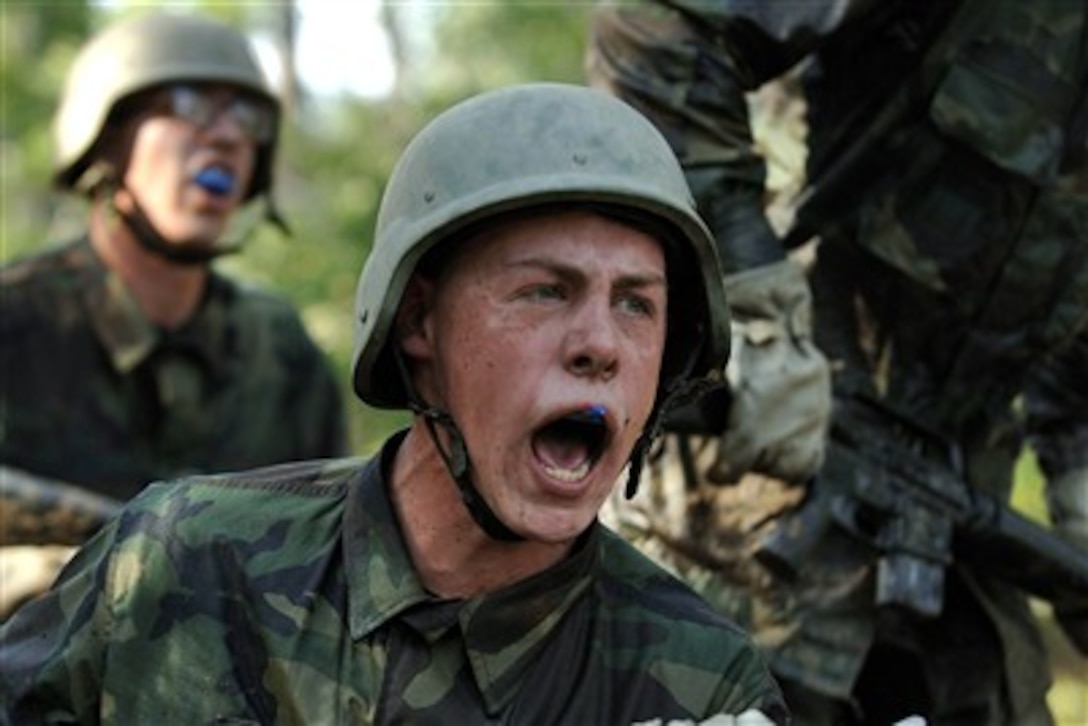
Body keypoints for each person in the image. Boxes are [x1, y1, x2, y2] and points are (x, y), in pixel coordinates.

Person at [0, 82, 789, 725]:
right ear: (418, 321)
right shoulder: (184, 564)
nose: (600, 345)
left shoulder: (699, 686)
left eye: (637, 304)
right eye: (545, 291)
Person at [588, 1, 1088, 724]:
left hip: (961, 565)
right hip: (738, 526)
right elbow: (657, 26)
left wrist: (1077, 465)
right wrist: (748, 296)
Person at [0, 11, 346, 505]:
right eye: (189, 105)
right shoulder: (16, 329)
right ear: (107, 141)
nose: (228, 137)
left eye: (248, 118)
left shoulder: (280, 356)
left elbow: (335, 556)